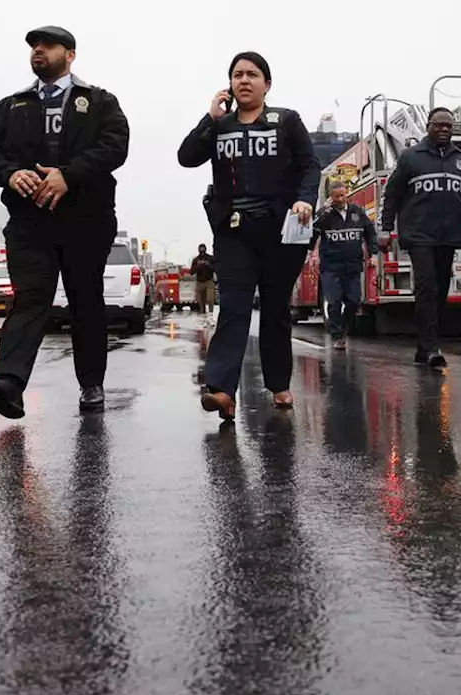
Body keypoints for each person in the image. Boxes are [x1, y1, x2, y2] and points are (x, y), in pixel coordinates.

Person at [0, 25, 130, 417]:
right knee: (29, 299)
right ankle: (8, 382)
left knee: (85, 302)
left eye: (47, 45)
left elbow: (115, 145)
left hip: (86, 220)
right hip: (30, 223)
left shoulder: (98, 101)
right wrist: (10, 174)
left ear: (70, 54)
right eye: (33, 47)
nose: (38, 51)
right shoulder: (12, 106)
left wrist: (68, 174)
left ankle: (91, 385)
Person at [178, 51, 319, 420]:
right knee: (234, 309)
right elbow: (186, 156)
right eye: (237, 75)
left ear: (266, 84)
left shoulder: (286, 121)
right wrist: (210, 118)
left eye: (252, 74)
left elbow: (309, 165)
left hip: (278, 230)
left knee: (275, 309)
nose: (244, 80)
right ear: (229, 84)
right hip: (234, 231)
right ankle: (222, 389)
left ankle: (279, 384)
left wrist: (305, 200)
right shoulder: (219, 126)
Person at [379, 108, 461, 369]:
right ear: (428, 126)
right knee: (426, 288)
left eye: (448, 126)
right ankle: (431, 347)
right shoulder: (411, 158)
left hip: (449, 236)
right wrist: (384, 229)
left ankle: (423, 346)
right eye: (439, 125)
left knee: (440, 291)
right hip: (419, 235)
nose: (444, 129)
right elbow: (392, 195)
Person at [314, 181, 378, 350]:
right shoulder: (325, 215)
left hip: (353, 267)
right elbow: (314, 228)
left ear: (347, 193)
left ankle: (344, 329)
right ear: (331, 197)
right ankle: (337, 336)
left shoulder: (357, 213)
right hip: (330, 267)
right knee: (334, 303)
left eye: (343, 195)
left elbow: (370, 233)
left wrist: (373, 254)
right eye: (336, 197)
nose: (340, 199)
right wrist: (326, 209)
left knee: (354, 301)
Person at [191, 244, 217, 319]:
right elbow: (191, 272)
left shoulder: (210, 258)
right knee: (201, 302)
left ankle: (210, 315)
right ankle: (203, 316)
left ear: (205, 249)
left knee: (210, 298)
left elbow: (216, 269)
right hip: (200, 283)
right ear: (198, 250)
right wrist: (198, 266)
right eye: (200, 249)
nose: (202, 251)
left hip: (209, 281)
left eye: (203, 249)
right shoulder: (196, 259)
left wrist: (208, 265)